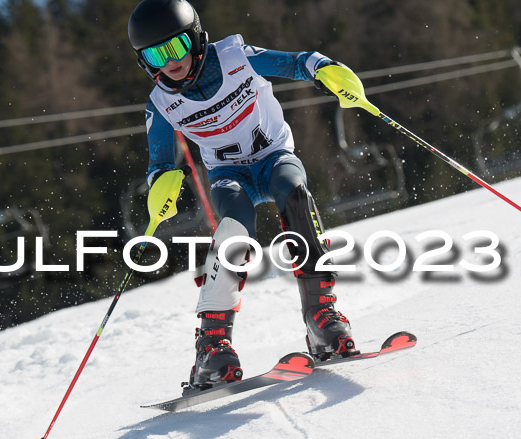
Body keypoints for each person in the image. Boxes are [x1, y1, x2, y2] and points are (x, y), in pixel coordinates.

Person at [128, 0, 357, 393]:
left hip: (273, 159)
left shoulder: (236, 57)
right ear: (143, 61)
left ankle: (322, 316)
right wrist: (161, 187)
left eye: (177, 46)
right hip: (228, 175)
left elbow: (297, 62)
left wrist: (326, 70)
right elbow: (160, 163)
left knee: (295, 194)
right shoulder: (161, 104)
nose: (171, 62)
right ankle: (212, 347)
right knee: (233, 229)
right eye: (156, 54)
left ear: (196, 38)